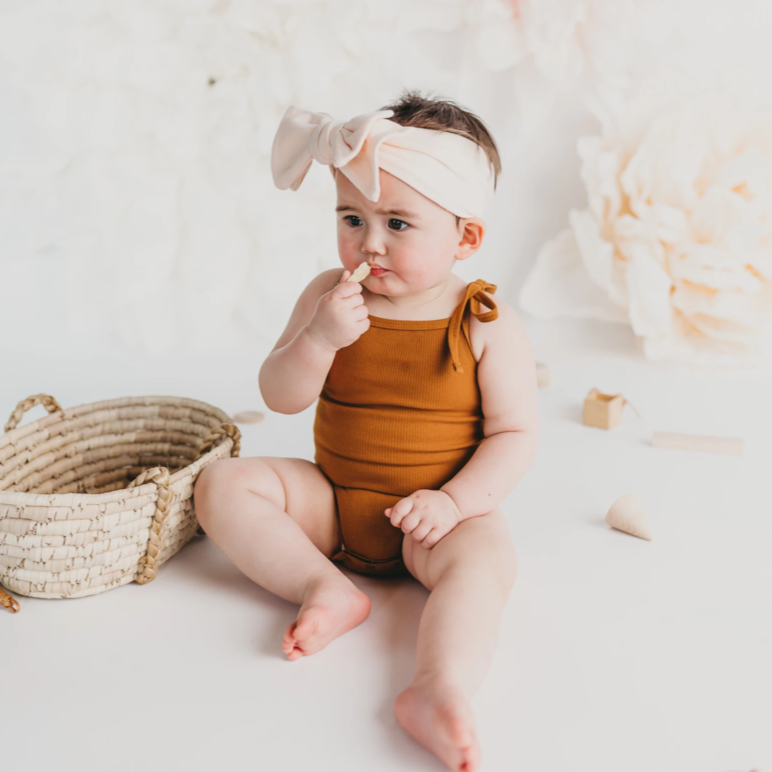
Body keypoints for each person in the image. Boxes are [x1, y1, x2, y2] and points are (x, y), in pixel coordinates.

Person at [193, 89, 540, 772]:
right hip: (333, 501)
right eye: (352, 217)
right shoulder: (331, 295)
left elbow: (514, 435)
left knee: (487, 561)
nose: (369, 243)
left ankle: (438, 686)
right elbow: (279, 396)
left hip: (434, 521)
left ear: (464, 236)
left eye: (398, 224)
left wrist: (454, 503)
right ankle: (324, 587)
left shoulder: (482, 320)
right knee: (224, 482)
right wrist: (318, 340)